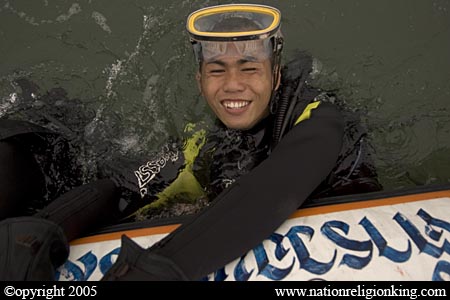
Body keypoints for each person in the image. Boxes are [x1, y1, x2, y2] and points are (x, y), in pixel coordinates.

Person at [0, 4, 382, 281]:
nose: (232, 85)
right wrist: (38, 231)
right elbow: (124, 188)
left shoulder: (320, 117)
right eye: (217, 70)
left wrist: (157, 270)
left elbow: (274, 189)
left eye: (250, 68)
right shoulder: (201, 144)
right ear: (199, 81)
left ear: (275, 74)